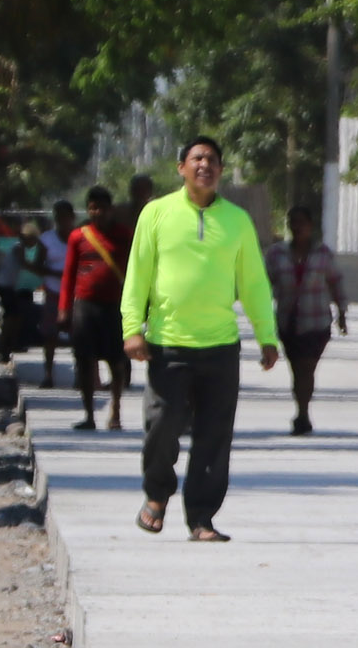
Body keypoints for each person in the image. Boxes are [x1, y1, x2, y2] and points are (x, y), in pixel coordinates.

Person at [118, 136, 279, 539]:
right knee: (162, 426)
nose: (204, 165)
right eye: (197, 158)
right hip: (168, 343)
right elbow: (137, 275)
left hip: (220, 346)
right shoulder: (157, 214)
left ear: (221, 170)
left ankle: (202, 518)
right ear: (181, 168)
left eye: (212, 160)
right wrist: (132, 329)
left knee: (214, 437)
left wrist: (267, 336)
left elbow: (254, 283)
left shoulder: (237, 221)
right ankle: (156, 496)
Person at [262, 205, 347, 434]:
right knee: (297, 368)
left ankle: (302, 412)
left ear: (311, 226)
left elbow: (335, 282)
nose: (297, 227)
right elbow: (261, 286)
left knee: (306, 367)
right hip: (288, 321)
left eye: (302, 223)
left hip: (316, 322)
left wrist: (342, 313)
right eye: (293, 222)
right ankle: (301, 407)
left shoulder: (322, 254)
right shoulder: (276, 254)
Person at [60, 188, 129, 429]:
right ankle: (89, 415)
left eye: (101, 207)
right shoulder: (78, 236)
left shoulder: (125, 235)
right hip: (85, 306)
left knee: (116, 361)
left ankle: (116, 411)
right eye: (92, 208)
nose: (96, 212)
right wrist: (64, 308)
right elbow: (69, 275)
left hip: (114, 306)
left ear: (111, 209)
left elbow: (138, 269)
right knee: (85, 361)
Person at [0, 214, 43, 358]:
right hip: (3, 285)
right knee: (12, 316)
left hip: (6, 285)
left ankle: (11, 344)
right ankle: (4, 345)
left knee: (16, 316)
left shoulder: (18, 247)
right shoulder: (18, 247)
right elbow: (24, 264)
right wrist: (42, 271)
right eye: (34, 240)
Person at [40, 198, 79, 386]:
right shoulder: (46, 239)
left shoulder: (80, 237)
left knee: (78, 337)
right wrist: (59, 274)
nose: (62, 221)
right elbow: (38, 267)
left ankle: (81, 376)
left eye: (66, 217)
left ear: (72, 217)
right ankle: (48, 375)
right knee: (50, 336)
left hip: (77, 296)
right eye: (58, 218)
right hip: (54, 292)